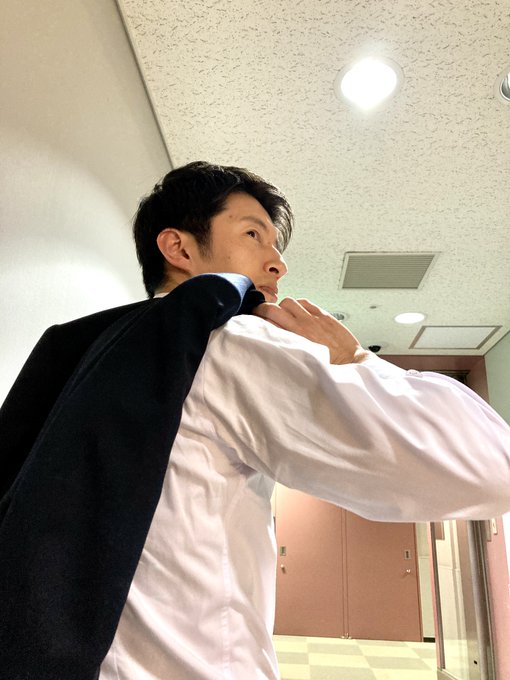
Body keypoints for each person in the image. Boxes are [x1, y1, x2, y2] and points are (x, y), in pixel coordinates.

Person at [1, 161, 509, 680]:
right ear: (178, 248)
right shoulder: (225, 340)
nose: (277, 263)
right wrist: (355, 358)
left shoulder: (82, 356)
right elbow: (490, 469)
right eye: (253, 235)